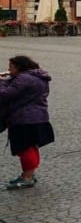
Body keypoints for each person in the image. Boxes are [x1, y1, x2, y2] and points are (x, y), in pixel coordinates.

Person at [0, 56, 55, 189]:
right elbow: (13, 86)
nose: (9, 69)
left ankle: (27, 177)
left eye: (11, 67)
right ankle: (28, 174)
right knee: (30, 147)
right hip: (36, 117)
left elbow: (5, 95)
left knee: (24, 148)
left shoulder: (24, 79)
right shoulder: (33, 76)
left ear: (20, 67)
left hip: (25, 118)